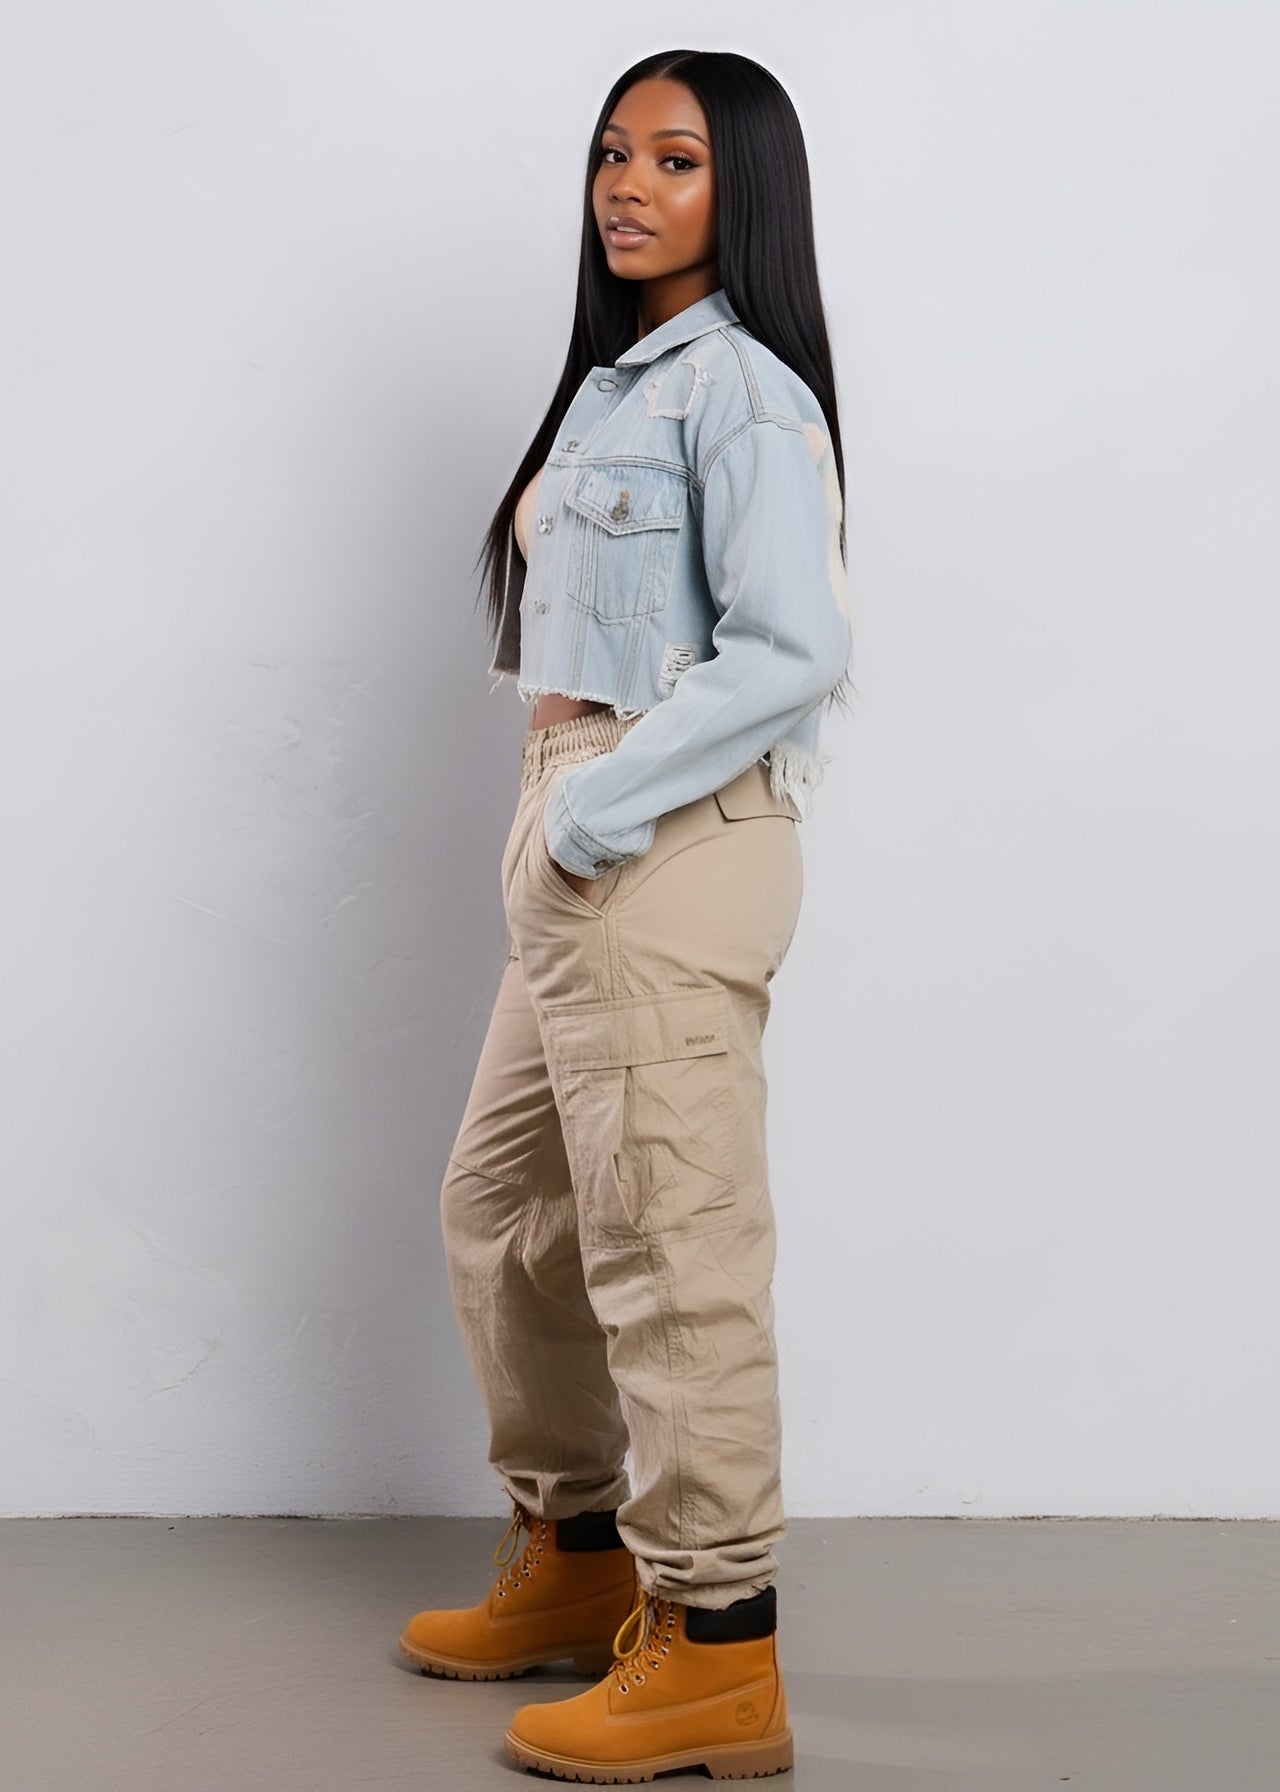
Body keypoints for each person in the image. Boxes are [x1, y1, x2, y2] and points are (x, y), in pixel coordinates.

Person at [399, 48, 853, 1784]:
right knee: (506, 1210)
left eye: (675, 156)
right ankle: (580, 1556)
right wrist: (559, 788)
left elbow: (795, 652)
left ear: (746, 186)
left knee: (673, 1243)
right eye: (611, 153)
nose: (629, 183)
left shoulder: (740, 391)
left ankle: (721, 1650)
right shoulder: (618, 381)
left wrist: (588, 801)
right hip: (590, 832)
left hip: (659, 838)